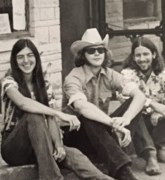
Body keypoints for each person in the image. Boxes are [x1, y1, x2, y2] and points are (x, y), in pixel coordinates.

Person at [0, 38, 114, 180]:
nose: (26, 61)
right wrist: (59, 114)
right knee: (34, 116)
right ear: (14, 61)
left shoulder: (44, 85)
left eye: (30, 55)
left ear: (36, 58)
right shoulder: (9, 82)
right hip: (15, 148)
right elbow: (23, 103)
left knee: (73, 154)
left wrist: (58, 145)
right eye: (20, 57)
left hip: (41, 145)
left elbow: (51, 119)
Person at [62, 28, 149, 180]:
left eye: (100, 50)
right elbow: (82, 107)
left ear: (105, 53)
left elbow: (139, 96)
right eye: (91, 50)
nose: (97, 54)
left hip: (99, 133)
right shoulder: (73, 78)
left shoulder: (109, 74)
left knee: (133, 104)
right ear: (83, 54)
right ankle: (123, 173)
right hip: (76, 137)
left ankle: (115, 161)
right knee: (88, 115)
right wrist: (113, 123)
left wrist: (125, 119)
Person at [121, 37, 165, 170]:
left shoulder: (164, 73)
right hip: (138, 124)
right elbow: (124, 98)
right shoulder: (127, 74)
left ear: (154, 55)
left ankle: (158, 147)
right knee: (134, 110)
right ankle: (150, 156)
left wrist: (164, 112)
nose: (142, 59)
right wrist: (153, 104)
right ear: (133, 57)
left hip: (157, 121)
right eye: (138, 55)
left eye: (146, 54)